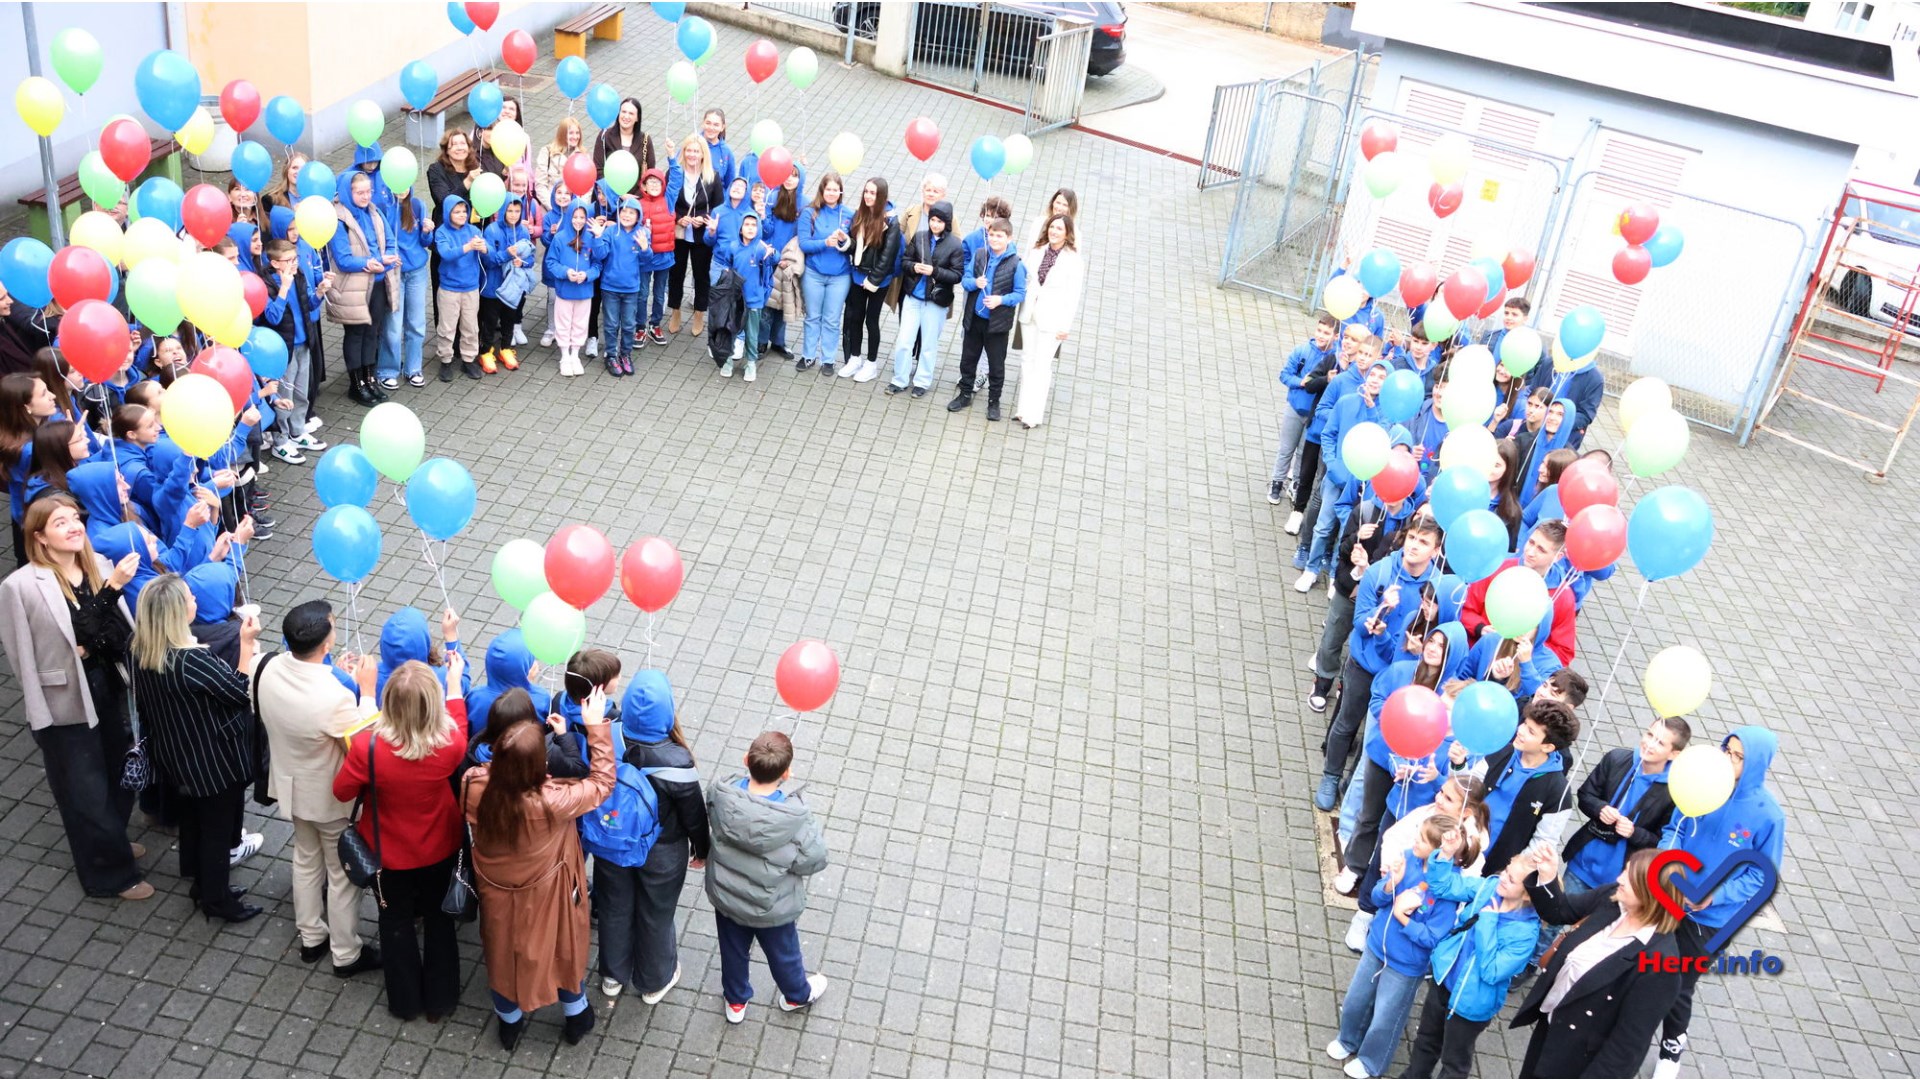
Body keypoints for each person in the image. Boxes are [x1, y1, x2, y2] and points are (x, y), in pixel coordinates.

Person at [0, 495, 149, 900]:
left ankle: (112, 839)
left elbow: (114, 629)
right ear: (39, 537)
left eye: (74, 518)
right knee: (85, 792)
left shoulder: (98, 564)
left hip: (110, 687)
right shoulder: (20, 586)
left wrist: (95, 641)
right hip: (64, 700)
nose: (73, 526)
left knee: (119, 773)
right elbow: (23, 653)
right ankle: (110, 876)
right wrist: (39, 712)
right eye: (59, 522)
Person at [463, 688, 616, 1049]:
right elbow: (601, 783)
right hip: (551, 892)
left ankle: (509, 1024)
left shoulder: (473, 783)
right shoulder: (552, 800)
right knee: (564, 948)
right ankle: (576, 1015)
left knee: (502, 953)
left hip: (497, 891)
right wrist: (595, 728)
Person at [332, 658, 466, 1021]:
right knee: (439, 920)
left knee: (394, 922)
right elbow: (458, 725)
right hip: (440, 845)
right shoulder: (450, 743)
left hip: (387, 853)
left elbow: (342, 791)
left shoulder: (368, 748)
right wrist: (455, 687)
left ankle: (405, 1002)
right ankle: (440, 1001)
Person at [254, 599, 382, 975]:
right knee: (340, 875)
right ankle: (346, 953)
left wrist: (331, 671)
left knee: (305, 860)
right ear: (326, 643)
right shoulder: (333, 695)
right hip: (329, 800)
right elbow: (364, 744)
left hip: (290, 787)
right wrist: (367, 691)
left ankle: (311, 937)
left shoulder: (266, 667)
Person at [129, 573, 264, 923]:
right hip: (212, 761)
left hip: (174, 754)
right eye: (189, 597)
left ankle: (200, 883)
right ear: (176, 612)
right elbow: (237, 692)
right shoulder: (190, 661)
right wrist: (246, 645)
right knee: (216, 831)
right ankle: (217, 899)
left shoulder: (140, 647)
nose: (195, 601)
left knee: (193, 820)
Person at [1654, 726, 1784, 1080]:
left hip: (1711, 920)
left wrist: (1715, 895)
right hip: (1668, 897)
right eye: (1727, 750)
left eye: (1739, 757)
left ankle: (1671, 1048)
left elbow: (1761, 875)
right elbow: (1675, 829)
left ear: (1756, 764)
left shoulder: (1769, 815)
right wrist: (1668, 863)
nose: (1729, 760)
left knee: (1679, 983)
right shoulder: (1702, 784)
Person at [1514, 847, 1685, 1079]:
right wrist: (1548, 876)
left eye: (1630, 878)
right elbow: (1559, 911)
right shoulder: (1613, 898)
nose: (1620, 879)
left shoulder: (1660, 967)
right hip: (1552, 1024)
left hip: (1579, 1060)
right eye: (1625, 870)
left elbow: (1625, 1049)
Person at [1328, 815, 1475, 1080]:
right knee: (1356, 1000)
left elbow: (1433, 937)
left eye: (1422, 839)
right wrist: (1390, 884)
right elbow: (1377, 897)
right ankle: (1348, 1039)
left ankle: (1371, 1061)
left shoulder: (1447, 892)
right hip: (1376, 945)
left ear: (1439, 850)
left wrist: (1404, 918)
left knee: (1387, 1017)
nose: (1415, 841)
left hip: (1406, 965)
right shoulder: (1408, 857)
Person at [1313, 517, 1441, 812]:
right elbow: (1359, 622)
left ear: (1435, 551)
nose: (1414, 546)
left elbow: (1438, 634)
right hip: (1365, 665)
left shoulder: (1436, 588)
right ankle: (1330, 776)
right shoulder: (1379, 571)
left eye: (1423, 542)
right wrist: (1378, 614)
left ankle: (1352, 782)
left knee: (1378, 732)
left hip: (1401, 673)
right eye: (1412, 538)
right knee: (1347, 722)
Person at [596, 667, 708, 1002]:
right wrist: (701, 849)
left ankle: (613, 975)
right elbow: (694, 817)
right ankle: (655, 980)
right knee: (656, 914)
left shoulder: (605, 735)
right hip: (662, 850)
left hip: (612, 840)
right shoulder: (678, 762)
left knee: (614, 907)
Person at [707, 730, 830, 1023]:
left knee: (732, 950)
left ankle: (736, 1000)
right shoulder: (794, 817)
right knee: (784, 953)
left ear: (746, 760)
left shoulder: (721, 796)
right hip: (773, 904)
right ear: (786, 773)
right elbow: (814, 859)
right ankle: (796, 994)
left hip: (728, 896)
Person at [1406, 854, 1544, 1077]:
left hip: (1471, 1004)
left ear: (1527, 894)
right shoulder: (1489, 887)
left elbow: (1491, 971)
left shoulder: (1525, 934)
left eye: (1511, 879)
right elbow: (1443, 886)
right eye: (1506, 870)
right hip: (1445, 979)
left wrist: (1488, 921)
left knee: (1454, 1062)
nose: (1502, 878)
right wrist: (1445, 855)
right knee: (1426, 1039)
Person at [1299, 356, 1388, 593]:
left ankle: (1336, 575)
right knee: (1323, 526)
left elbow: (1382, 438)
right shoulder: (1346, 401)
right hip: (1336, 477)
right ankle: (1311, 568)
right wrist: (1332, 462)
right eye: (1373, 374)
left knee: (1347, 532)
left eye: (1382, 377)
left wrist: (1371, 410)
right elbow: (1329, 434)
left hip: (1364, 484)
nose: (1375, 380)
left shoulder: (1387, 413)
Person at [1474, 698, 1579, 876]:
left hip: (1497, 874)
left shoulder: (1558, 792)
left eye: (1530, 731)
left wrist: (1509, 874)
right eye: (1524, 724)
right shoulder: (1502, 751)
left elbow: (1542, 843)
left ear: (1547, 747)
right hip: (1463, 849)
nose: (1520, 730)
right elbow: (1470, 785)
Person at [1460, 520, 1577, 665]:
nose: (1530, 552)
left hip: (1520, 670)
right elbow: (1464, 608)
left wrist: (1529, 649)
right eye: (1531, 542)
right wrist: (1480, 628)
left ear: (1557, 557)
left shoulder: (1563, 596)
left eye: (1541, 550)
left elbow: (1563, 652)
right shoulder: (1499, 569)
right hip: (1478, 656)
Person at [326, 171, 397, 406]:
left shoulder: (374, 211)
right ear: (348, 192)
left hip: (377, 282)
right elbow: (343, 259)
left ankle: (370, 379)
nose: (366, 197)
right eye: (360, 192)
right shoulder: (338, 219)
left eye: (369, 191)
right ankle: (356, 385)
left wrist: (387, 259)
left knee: (372, 332)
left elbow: (389, 241)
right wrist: (371, 262)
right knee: (356, 334)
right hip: (353, 288)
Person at [946, 218, 1027, 423]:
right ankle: (965, 394)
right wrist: (975, 282)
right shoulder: (980, 254)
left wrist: (1001, 300)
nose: (994, 239)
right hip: (975, 318)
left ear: (1009, 238)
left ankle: (994, 401)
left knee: (996, 364)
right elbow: (965, 280)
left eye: (999, 236)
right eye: (991, 235)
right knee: (968, 359)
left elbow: (1020, 293)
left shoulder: (1016, 264)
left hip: (997, 324)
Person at [1012, 212, 1085, 429]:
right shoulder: (1037, 251)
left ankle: (1033, 415)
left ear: (1067, 233)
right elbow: (1027, 277)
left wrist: (1065, 326)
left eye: (1059, 228)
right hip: (1029, 313)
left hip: (1052, 319)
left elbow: (1073, 296)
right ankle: (1022, 409)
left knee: (1042, 365)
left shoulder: (1074, 261)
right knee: (1027, 360)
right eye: (1052, 227)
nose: (1054, 231)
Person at [887, 200, 965, 398]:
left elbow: (957, 275)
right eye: (932, 220)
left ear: (947, 223)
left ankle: (922, 381)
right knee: (904, 341)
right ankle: (899, 379)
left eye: (940, 221)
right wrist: (914, 267)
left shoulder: (955, 245)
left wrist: (934, 271)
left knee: (929, 345)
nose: (935, 224)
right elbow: (905, 261)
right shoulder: (920, 236)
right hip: (913, 296)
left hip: (935, 301)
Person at [259, 240, 328, 461]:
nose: (295, 263)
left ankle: (297, 431)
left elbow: (308, 305)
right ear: (274, 263)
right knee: (284, 396)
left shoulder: (298, 276)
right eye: (289, 260)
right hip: (283, 349)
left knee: (301, 392)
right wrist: (283, 289)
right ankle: (280, 441)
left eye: (295, 259)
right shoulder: (266, 284)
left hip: (303, 342)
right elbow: (273, 317)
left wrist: (319, 293)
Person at [1271, 313, 1340, 507]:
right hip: (1295, 408)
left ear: (1336, 336)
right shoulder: (1302, 351)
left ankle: (1296, 484)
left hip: (1314, 415)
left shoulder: (1335, 359)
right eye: (1319, 330)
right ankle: (1277, 481)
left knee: (1303, 453)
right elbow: (1285, 375)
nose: (1321, 336)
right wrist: (1300, 382)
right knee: (1286, 448)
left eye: (1326, 333)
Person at [837, 177, 901, 383]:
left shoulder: (891, 221)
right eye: (866, 191)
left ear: (881, 196)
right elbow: (858, 247)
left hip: (878, 280)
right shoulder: (860, 214)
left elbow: (887, 256)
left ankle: (871, 364)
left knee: (871, 320)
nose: (868, 196)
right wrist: (846, 242)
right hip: (858, 274)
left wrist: (873, 280)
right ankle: (855, 358)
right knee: (856, 317)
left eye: (873, 193)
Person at [666, 135, 726, 339]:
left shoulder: (712, 176)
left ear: (703, 154)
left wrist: (703, 219)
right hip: (679, 234)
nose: (692, 155)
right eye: (688, 150)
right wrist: (678, 218)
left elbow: (719, 206)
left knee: (701, 276)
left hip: (702, 236)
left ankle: (699, 313)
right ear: (683, 152)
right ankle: (675, 311)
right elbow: (666, 202)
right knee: (676, 274)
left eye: (696, 151)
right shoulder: (675, 173)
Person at [376, 184, 434, 390]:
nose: (403, 189)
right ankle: (387, 370)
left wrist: (427, 232)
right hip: (394, 273)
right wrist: (389, 258)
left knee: (416, 323)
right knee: (393, 324)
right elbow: (379, 240)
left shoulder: (418, 205)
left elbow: (425, 242)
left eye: (406, 185)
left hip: (416, 272)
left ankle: (413, 368)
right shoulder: (384, 208)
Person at [797, 171, 854, 374]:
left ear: (841, 192)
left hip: (840, 276)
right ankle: (808, 355)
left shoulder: (848, 214)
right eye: (828, 189)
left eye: (835, 190)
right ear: (822, 190)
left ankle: (828, 359)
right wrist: (825, 243)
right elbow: (804, 244)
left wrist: (844, 241)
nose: (831, 193)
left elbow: (855, 246)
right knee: (812, 316)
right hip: (814, 273)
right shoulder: (809, 213)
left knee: (832, 319)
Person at [546, 201, 604, 377]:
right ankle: (564, 356)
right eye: (575, 216)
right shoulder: (560, 238)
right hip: (565, 290)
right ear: (569, 216)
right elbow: (551, 262)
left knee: (580, 323)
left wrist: (587, 275)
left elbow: (598, 264)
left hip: (584, 291)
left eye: (582, 217)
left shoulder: (591, 238)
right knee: (563, 323)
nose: (578, 220)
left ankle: (575, 355)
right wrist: (566, 272)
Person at [431, 194, 486, 381]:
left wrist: (484, 248)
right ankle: (445, 360)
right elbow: (446, 254)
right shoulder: (441, 232)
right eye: (457, 212)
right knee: (447, 327)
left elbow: (488, 253)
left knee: (471, 326)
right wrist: (468, 247)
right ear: (448, 213)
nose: (462, 215)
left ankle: (468, 359)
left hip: (471, 287)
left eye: (464, 211)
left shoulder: (473, 230)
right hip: (449, 288)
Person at [479, 195, 533, 374]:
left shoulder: (523, 231)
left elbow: (531, 257)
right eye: (510, 211)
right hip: (493, 286)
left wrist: (522, 263)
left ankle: (506, 348)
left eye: (517, 211)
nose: (513, 215)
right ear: (502, 211)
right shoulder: (491, 230)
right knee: (490, 319)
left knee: (510, 317)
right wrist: (507, 254)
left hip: (513, 286)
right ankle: (486, 351)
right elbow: (488, 260)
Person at [724, 211, 777, 382]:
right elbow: (727, 265)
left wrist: (771, 253)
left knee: (752, 334)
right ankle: (727, 360)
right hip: (735, 299)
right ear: (740, 229)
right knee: (731, 330)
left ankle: (751, 363)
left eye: (754, 225)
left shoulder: (761, 248)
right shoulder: (733, 247)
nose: (750, 228)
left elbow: (775, 258)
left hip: (754, 299)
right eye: (746, 224)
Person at [536, 116, 585, 207]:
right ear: (562, 134)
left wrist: (576, 209)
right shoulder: (547, 152)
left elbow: (587, 189)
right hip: (550, 208)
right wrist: (554, 207)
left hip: (573, 211)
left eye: (577, 133)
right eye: (571, 133)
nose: (575, 137)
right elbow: (540, 185)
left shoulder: (583, 156)